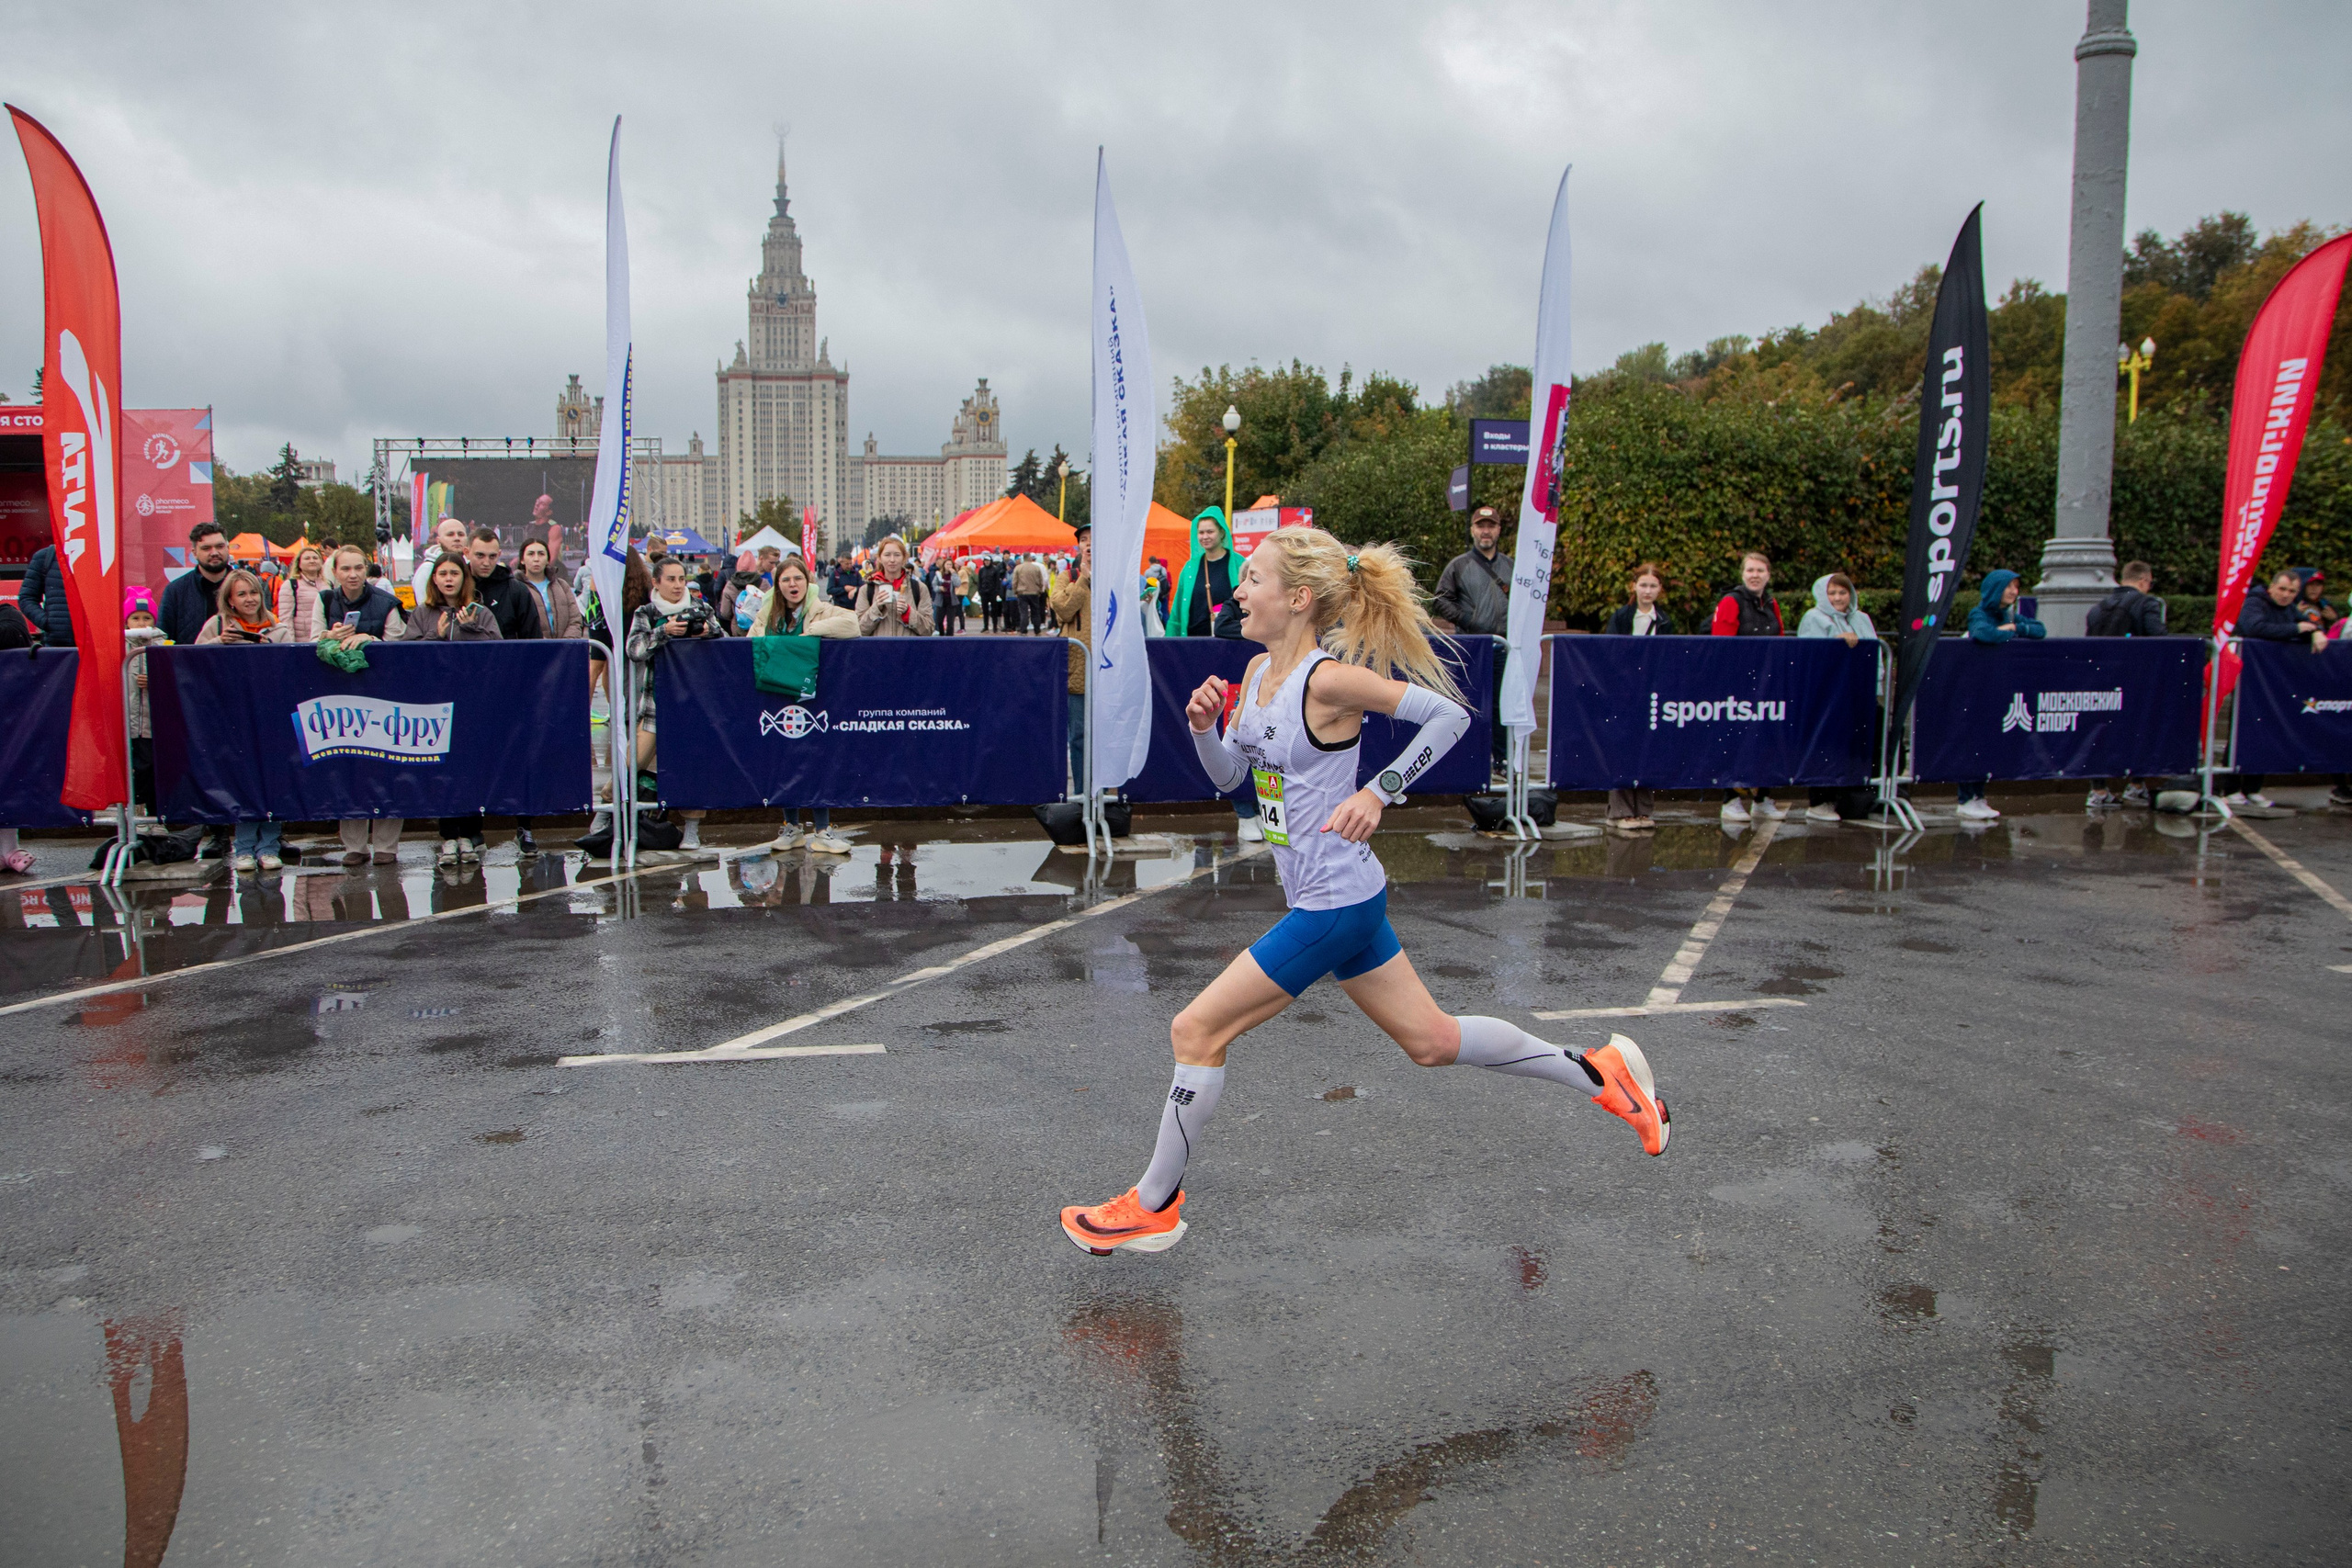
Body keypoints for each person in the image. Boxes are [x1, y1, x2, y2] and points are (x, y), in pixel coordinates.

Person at [1057, 527, 1668, 1257]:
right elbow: (1230, 781)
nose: (1240, 591)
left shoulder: (1329, 681)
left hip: (1335, 904)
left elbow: (1449, 718)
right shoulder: (1255, 676)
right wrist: (1202, 729)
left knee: (1196, 1030)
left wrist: (1380, 791)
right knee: (1434, 1041)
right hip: (1338, 894)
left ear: (1298, 598)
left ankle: (1153, 1203)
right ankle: (1602, 1071)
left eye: (1252, 578)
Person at [752, 556, 858, 852]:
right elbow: (750, 641)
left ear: (807, 580)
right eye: (785, 580)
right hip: (777, 694)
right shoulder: (767, 613)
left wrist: (808, 634)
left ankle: (823, 830)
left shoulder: (819, 609)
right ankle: (791, 827)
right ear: (778, 585)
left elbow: (853, 624)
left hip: (811, 696)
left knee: (814, 760)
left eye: (797, 578)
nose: (792, 584)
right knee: (783, 759)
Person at [401, 555, 501, 862]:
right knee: (441, 768)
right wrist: (437, 635)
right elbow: (407, 654)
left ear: (464, 578)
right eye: (442, 573)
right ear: (433, 579)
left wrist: (471, 630)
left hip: (473, 701)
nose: (448, 579)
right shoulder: (422, 613)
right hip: (434, 703)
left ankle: (471, 832)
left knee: (470, 767)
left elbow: (500, 650)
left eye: (454, 573)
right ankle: (448, 834)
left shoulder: (480, 613)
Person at [194, 570, 292, 873]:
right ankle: (244, 847)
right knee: (244, 782)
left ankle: (270, 845)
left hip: (271, 714)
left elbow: (293, 665)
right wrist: (218, 643)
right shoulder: (216, 626)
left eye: (253, 593)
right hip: (233, 716)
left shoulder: (279, 627)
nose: (249, 599)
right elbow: (191, 660)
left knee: (274, 782)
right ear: (230, 601)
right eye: (242, 594)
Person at [313, 545, 407, 863]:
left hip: (383, 697)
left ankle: (386, 845)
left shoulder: (388, 603)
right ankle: (354, 845)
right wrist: (330, 635)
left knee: (387, 766)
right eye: (345, 569)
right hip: (339, 699)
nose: (352, 574)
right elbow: (311, 640)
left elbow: (401, 645)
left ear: (366, 570)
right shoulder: (325, 600)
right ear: (335, 572)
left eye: (358, 568)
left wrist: (372, 640)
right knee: (348, 768)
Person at [627, 554, 722, 850]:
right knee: (632, 763)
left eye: (682, 579)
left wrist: (708, 631)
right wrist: (663, 632)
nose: (678, 585)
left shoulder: (701, 608)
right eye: (671, 579)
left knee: (693, 768)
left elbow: (723, 635)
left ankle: (692, 830)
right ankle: (609, 813)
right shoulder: (646, 612)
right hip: (655, 704)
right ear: (656, 582)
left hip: (692, 704)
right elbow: (634, 649)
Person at [2225, 567, 2330, 810]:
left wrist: (2315, 633)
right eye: (2282, 589)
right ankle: (2230, 787)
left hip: (2272, 680)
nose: (2286, 595)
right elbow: (2254, 627)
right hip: (2248, 677)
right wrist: (2297, 629)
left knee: (2268, 729)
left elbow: (2307, 623)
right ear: (2271, 587)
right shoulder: (2254, 602)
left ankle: (2252, 788)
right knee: (2241, 727)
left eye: (2292, 591)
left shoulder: (2290, 608)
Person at [1951, 568, 2047, 822]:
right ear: (1996, 589)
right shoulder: (1979, 613)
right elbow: (1983, 633)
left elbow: (2039, 630)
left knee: (1986, 744)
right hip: (1975, 690)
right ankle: (1966, 798)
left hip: (1995, 688)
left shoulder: (2009, 615)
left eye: (2017, 587)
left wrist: (2013, 627)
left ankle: (1979, 796)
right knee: (1973, 743)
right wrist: (2010, 631)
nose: (2014, 592)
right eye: (2009, 587)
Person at [1431, 504, 1514, 776]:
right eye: (1481, 526)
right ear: (1473, 530)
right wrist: (1467, 620)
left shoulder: (1511, 567)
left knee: (1502, 705)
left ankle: (1501, 760)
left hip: (1503, 647)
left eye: (1491, 526)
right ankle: (1467, 759)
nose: (1486, 531)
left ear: (1499, 530)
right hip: (1471, 646)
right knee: (1469, 703)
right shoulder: (1459, 565)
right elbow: (1441, 599)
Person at [1793, 574, 1879, 823]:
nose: (1838, 598)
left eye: (1843, 592)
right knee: (1827, 746)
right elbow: (1810, 656)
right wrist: (1835, 643)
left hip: (1859, 692)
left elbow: (1875, 652)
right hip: (1827, 695)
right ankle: (1820, 802)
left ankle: (1857, 800)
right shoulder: (1813, 618)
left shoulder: (1862, 618)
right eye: (1832, 593)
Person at [1711, 550, 1786, 823]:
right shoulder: (1731, 601)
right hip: (1737, 685)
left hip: (1766, 685)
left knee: (1765, 741)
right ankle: (1730, 800)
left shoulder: (1772, 604)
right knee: (1734, 742)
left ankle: (1762, 799)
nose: (1755, 575)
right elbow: (1722, 645)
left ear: (1768, 574)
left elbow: (1778, 639)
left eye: (1760, 571)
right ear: (1742, 574)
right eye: (1750, 570)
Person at [2084, 562, 2166, 809]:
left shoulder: (2099, 608)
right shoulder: (2146, 603)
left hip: (2103, 680)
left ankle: (2098, 790)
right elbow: (2158, 637)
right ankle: (2137, 786)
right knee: (2141, 730)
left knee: (2101, 734)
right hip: (2137, 680)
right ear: (2144, 580)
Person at [1600, 563, 1673, 829]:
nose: (1648, 590)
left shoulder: (1664, 621)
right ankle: (1619, 812)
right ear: (1634, 586)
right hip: (1623, 693)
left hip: (1650, 694)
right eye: (1643, 585)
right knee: (1621, 749)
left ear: (1660, 590)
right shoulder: (1621, 617)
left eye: (1653, 586)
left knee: (1646, 750)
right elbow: (1610, 653)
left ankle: (1643, 809)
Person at [1049, 522, 1095, 797]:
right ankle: (1081, 795)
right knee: (1078, 736)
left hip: (1107, 668)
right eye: (1084, 540)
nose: (1089, 544)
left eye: (1094, 539)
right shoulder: (1068, 575)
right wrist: (1083, 581)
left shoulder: (1113, 575)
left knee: (1105, 736)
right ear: (1078, 546)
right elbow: (1063, 609)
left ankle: (1103, 794)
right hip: (1077, 667)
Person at [464, 526, 545, 641]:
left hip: (506, 657)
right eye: (480, 555)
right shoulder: (456, 587)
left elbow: (533, 640)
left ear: (499, 554)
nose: (486, 563)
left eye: (492, 556)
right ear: (467, 553)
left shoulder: (517, 590)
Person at [124, 589, 164, 814]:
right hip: (127, 721)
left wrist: (155, 680)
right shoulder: (120, 646)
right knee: (133, 769)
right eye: (135, 617)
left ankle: (153, 815)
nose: (141, 623)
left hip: (151, 724)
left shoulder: (161, 645)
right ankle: (133, 816)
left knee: (150, 767)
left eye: (147, 617)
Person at [160, 522, 233, 646]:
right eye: (206, 548)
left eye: (220, 546)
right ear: (194, 553)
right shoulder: (176, 591)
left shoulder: (247, 586)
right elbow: (163, 638)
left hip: (238, 662)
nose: (214, 552)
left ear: (227, 548)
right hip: (191, 663)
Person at [1170, 508, 1238, 638]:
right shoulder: (1190, 567)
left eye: (1210, 532)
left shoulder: (1239, 564)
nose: (1205, 536)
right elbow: (1177, 612)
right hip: (1192, 643)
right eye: (1201, 532)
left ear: (1222, 532)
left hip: (1227, 644)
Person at [855, 535, 935, 637]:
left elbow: (928, 630)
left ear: (904, 558)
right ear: (879, 558)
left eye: (897, 555)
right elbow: (859, 630)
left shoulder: (919, 589)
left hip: (909, 651)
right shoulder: (867, 590)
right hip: (879, 651)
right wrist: (876, 608)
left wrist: (908, 613)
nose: (892, 560)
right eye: (887, 555)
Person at [17, 540, 75, 647]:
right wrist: (47, 623)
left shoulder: (103, 556)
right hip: (56, 644)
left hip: (98, 646)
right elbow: (27, 597)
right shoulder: (45, 556)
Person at [273, 545, 331, 640]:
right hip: (303, 641)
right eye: (307, 558)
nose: (312, 561)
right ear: (299, 564)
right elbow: (286, 619)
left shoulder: (328, 585)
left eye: (315, 558)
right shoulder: (291, 585)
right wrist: (291, 645)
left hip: (325, 641)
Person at [410, 515, 469, 604]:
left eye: (461, 534)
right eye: (450, 534)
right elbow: (425, 610)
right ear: (439, 541)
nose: (457, 538)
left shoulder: (469, 566)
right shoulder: (427, 569)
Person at [1009, 552, 1046, 635]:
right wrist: (1040, 590)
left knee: (1023, 612)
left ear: (1023, 558)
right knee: (1036, 612)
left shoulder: (1018, 568)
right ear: (1029, 558)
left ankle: (1023, 630)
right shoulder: (1036, 568)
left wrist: (1015, 591)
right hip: (1034, 592)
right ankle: (1037, 630)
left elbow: (1014, 581)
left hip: (1022, 593)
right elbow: (1041, 581)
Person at [978, 552, 1007, 631]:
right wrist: (980, 591)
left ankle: (995, 626)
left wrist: (997, 592)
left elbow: (997, 581)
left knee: (994, 610)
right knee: (985, 611)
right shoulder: (981, 570)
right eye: (985, 561)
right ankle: (986, 626)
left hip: (992, 592)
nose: (987, 562)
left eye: (988, 561)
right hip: (984, 592)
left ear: (990, 561)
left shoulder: (995, 570)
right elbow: (980, 581)